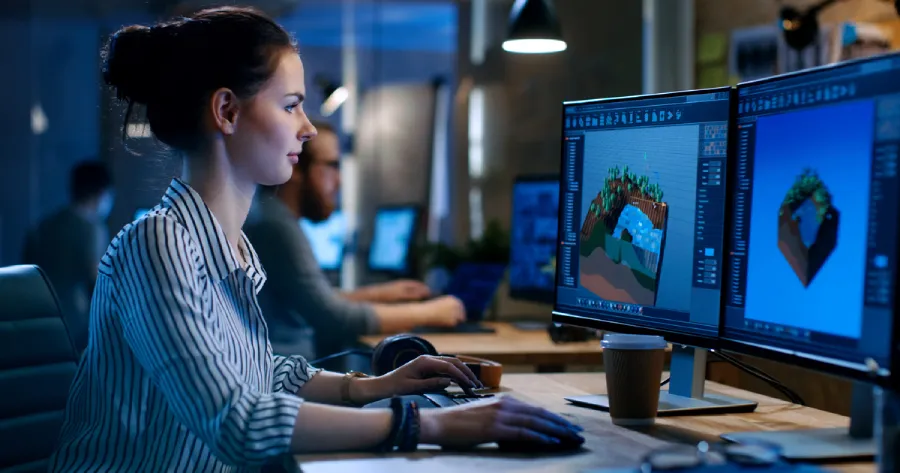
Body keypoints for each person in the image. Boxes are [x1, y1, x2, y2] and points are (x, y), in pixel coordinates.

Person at [49, 7, 583, 472]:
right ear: (227, 112)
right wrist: (433, 425)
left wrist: (378, 386)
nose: (307, 127)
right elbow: (239, 422)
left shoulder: (228, 245)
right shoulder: (158, 243)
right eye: (291, 105)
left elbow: (261, 373)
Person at [245, 121, 464, 359]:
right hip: (289, 381)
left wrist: (379, 294)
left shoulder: (271, 216)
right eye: (332, 166)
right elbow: (333, 317)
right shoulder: (276, 226)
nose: (338, 181)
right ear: (295, 166)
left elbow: (314, 300)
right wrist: (430, 312)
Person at [22, 160, 113, 354]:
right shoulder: (92, 229)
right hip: (76, 326)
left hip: (38, 323)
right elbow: (96, 280)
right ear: (101, 192)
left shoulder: (43, 226)